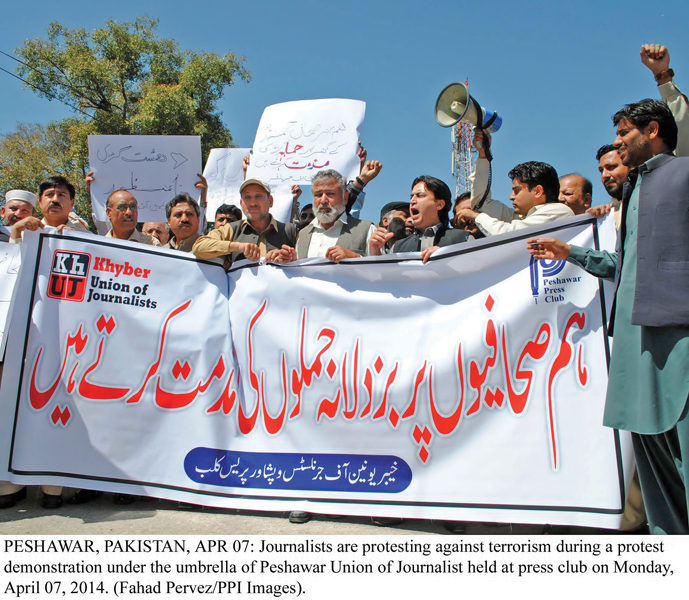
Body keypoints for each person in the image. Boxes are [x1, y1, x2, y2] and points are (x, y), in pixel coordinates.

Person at [528, 99, 689, 534]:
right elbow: (624, 264)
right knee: (654, 466)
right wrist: (572, 252)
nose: (618, 143)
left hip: (678, 339)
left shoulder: (683, 174)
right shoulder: (636, 189)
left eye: (624, 133)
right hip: (635, 344)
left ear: (652, 130)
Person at [192, 179, 297, 264]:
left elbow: (306, 262)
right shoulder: (232, 229)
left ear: (270, 201)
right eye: (247, 197)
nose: (252, 203)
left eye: (258, 196)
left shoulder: (290, 231)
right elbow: (199, 247)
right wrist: (238, 246)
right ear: (241, 203)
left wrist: (290, 257)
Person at [370, 176, 472, 261]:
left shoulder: (464, 239)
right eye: (411, 197)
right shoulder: (398, 247)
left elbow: (476, 273)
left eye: (420, 195)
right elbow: (388, 280)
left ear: (439, 204)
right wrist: (375, 253)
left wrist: (446, 258)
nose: (413, 201)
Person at [295, 170, 376, 262]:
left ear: (345, 198)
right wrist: (288, 261)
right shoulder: (303, 235)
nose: (323, 200)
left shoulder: (366, 230)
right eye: (318, 194)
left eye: (330, 194)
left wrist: (355, 258)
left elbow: (384, 271)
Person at [10, 176, 90, 242]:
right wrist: (15, 232)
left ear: (72, 203)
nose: (55, 200)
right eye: (50, 194)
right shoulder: (23, 234)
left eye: (61, 195)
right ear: (40, 202)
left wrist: (76, 241)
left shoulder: (87, 238)